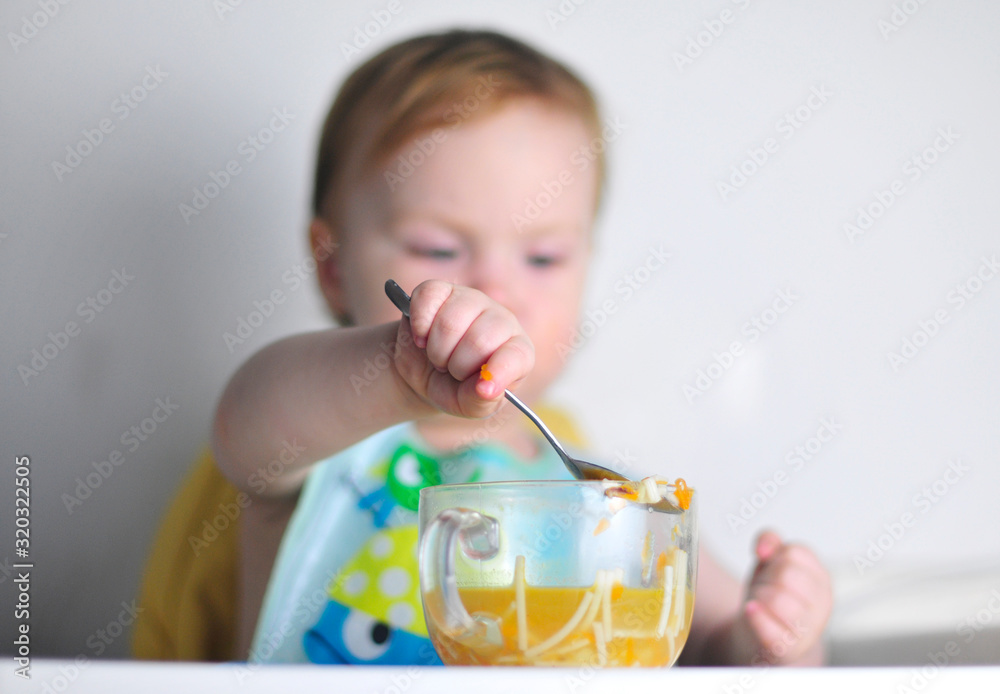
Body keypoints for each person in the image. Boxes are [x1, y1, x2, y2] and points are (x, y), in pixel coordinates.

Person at [133, 28, 832, 666]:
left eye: (543, 257)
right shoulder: (319, 442)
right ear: (333, 265)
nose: (495, 288)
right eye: (439, 249)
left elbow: (709, 644)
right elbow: (246, 426)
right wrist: (398, 370)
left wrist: (772, 637)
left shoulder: (593, 493)